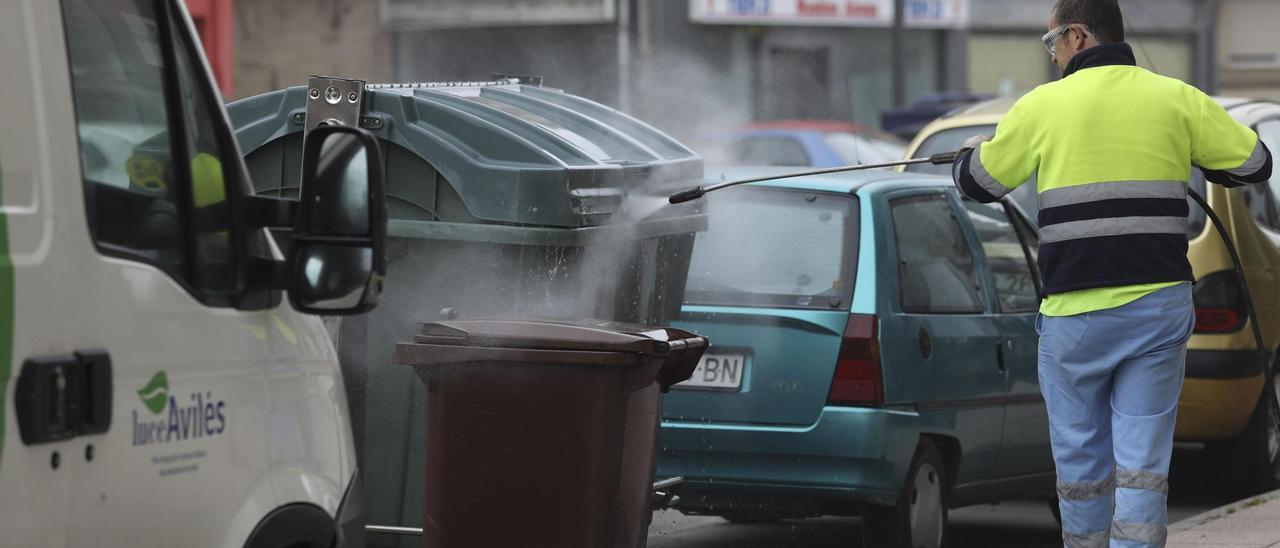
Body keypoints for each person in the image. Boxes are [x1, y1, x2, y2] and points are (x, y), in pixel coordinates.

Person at [950, 1, 1272, 546]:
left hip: (1074, 320)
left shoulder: (1041, 107)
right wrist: (1193, 155)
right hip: (1155, 311)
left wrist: (965, 153)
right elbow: (1254, 162)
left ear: (1077, 35)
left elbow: (979, 183)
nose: (1053, 57)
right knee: (1143, 463)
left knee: (1079, 466)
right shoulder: (1175, 98)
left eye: (1053, 43)